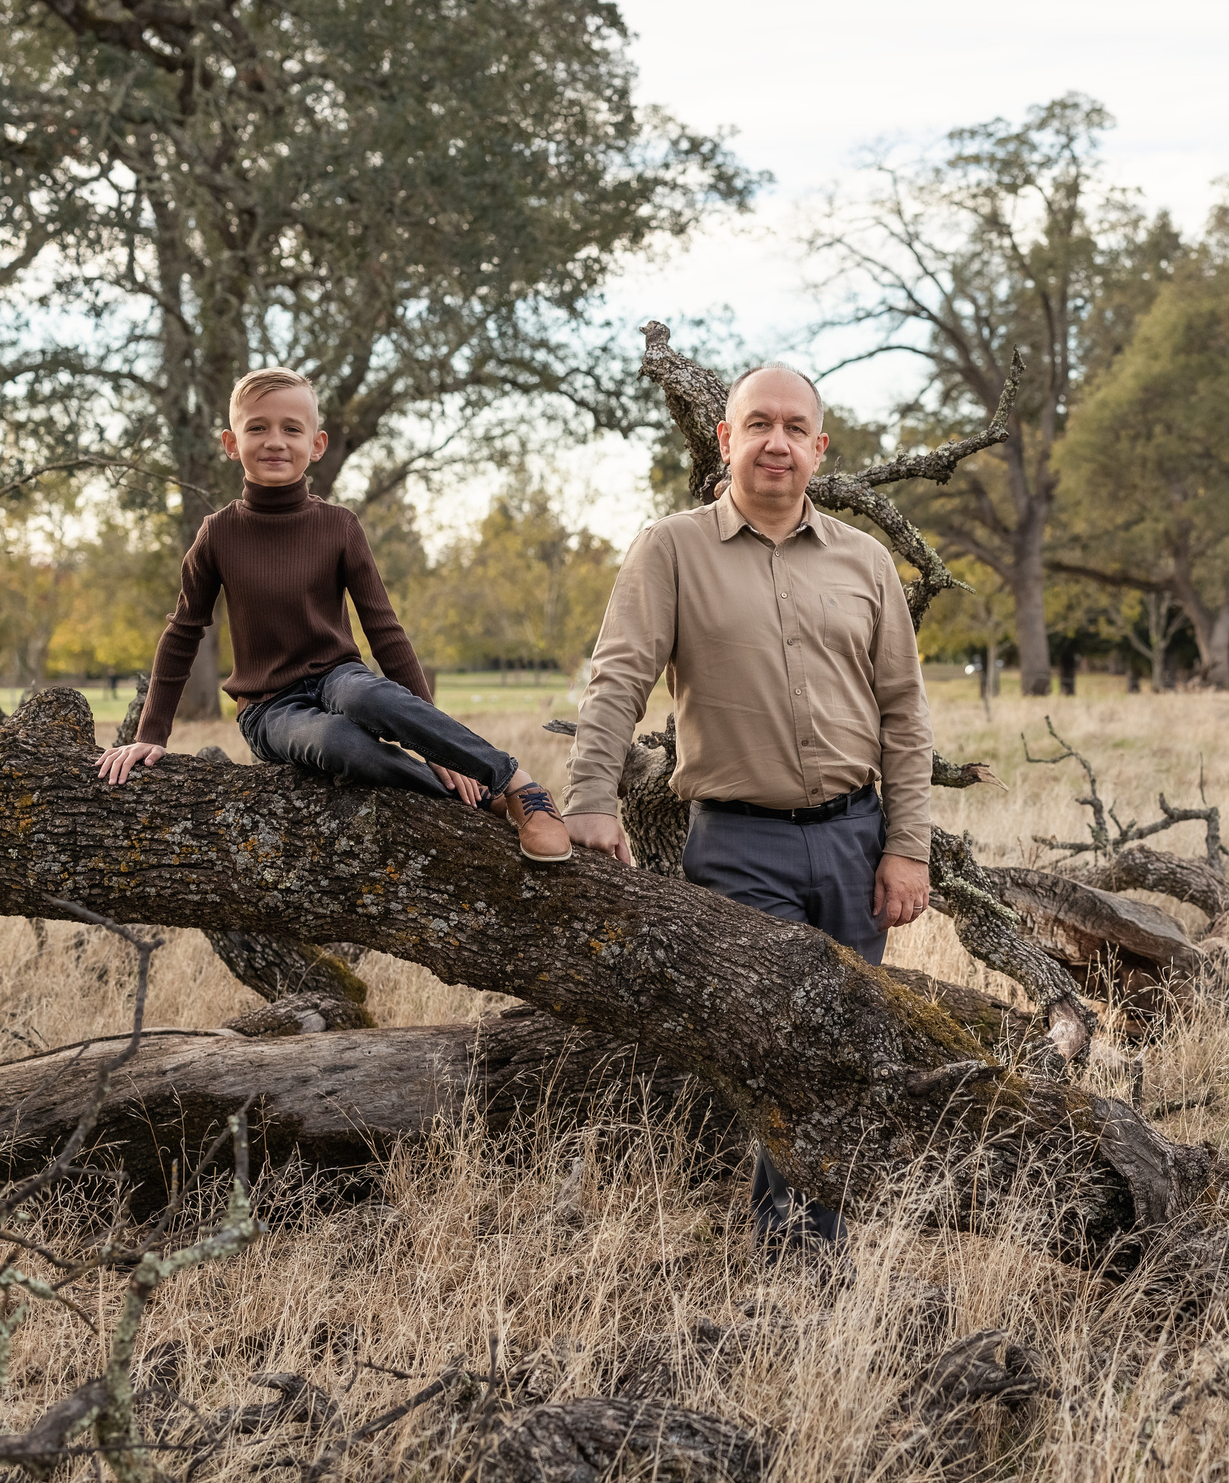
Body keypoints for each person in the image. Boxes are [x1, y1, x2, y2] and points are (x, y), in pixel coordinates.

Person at [565, 362, 934, 1255]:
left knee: (848, 1047)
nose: (776, 441)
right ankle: (798, 1248)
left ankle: (820, 1231)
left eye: (793, 426)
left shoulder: (865, 560)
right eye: (757, 424)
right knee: (782, 1040)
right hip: (738, 847)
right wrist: (588, 799)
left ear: (819, 446)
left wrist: (908, 846)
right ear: (725, 439)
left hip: (855, 841)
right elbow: (619, 681)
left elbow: (904, 715)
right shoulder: (672, 549)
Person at [97, 367, 570, 863]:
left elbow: (383, 630)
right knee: (339, 742)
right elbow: (182, 633)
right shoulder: (217, 535)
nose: (274, 441)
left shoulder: (339, 526)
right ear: (231, 443)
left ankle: (520, 786)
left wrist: (437, 742)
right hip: (270, 709)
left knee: (367, 694)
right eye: (257, 427)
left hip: (340, 678)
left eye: (291, 429)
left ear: (317, 444)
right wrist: (150, 736)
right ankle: (468, 799)